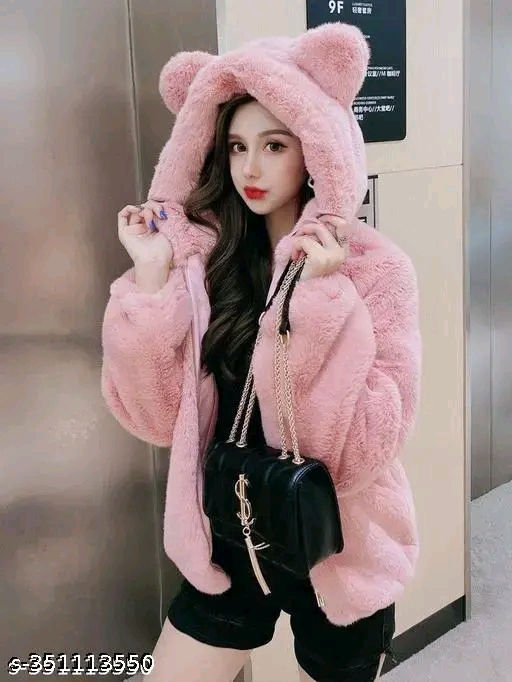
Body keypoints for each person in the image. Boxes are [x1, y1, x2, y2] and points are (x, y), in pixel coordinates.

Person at [101, 22, 422, 682]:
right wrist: (153, 280)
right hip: (230, 537)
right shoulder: (207, 264)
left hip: (335, 549)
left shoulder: (374, 272)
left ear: (315, 149)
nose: (250, 168)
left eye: (275, 145)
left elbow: (361, 452)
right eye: (237, 146)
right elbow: (155, 419)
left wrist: (321, 302)